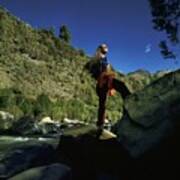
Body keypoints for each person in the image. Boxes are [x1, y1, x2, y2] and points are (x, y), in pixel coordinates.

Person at [85, 43, 131, 136]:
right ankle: (130, 105)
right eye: (104, 46)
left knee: (103, 105)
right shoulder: (96, 58)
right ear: (100, 48)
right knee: (120, 87)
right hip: (103, 82)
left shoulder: (104, 60)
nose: (106, 47)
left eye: (106, 46)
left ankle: (100, 126)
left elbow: (107, 71)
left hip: (105, 82)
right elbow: (94, 69)